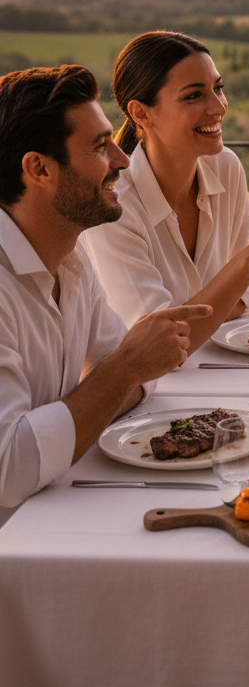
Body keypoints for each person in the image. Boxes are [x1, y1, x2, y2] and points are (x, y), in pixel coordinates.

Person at [0, 64, 214, 510]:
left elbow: (145, 372)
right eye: (101, 146)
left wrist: (120, 375)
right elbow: (10, 469)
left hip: (53, 507)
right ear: (39, 168)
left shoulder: (71, 259)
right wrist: (121, 373)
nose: (121, 159)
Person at [83, 31, 249, 327]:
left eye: (218, 88)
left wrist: (194, 319)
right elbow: (156, 341)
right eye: (193, 96)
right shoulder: (113, 206)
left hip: (214, 367)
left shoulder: (225, 167)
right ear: (141, 113)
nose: (218, 107)